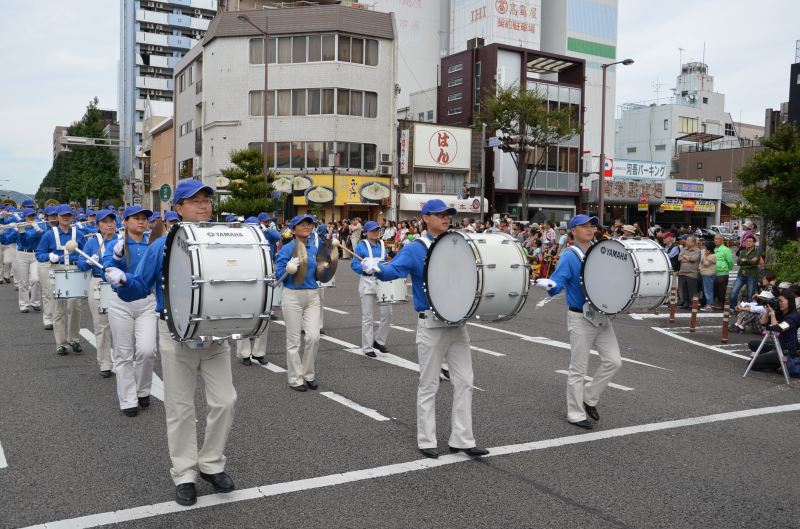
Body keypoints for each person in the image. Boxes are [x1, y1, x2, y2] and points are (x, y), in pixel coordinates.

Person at [105, 180, 237, 506]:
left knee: (225, 401)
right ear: (178, 208)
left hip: (215, 334)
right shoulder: (162, 245)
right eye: (194, 201)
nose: (204, 205)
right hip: (175, 334)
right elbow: (140, 286)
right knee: (180, 408)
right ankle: (185, 473)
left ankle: (210, 463)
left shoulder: (223, 239)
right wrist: (122, 280)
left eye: (206, 200)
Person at [367, 199, 488, 459]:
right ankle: (426, 439)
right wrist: (375, 268)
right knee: (429, 383)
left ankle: (462, 439)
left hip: (457, 323)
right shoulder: (414, 248)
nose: (446, 219)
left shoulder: (458, 244)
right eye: (440, 215)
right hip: (431, 323)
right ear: (425, 218)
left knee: (466, 381)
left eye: (448, 215)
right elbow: (393, 272)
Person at [534, 214, 621, 430]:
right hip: (579, 317)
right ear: (573, 231)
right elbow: (558, 282)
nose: (590, 229)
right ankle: (575, 413)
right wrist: (549, 284)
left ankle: (589, 397)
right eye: (583, 226)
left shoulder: (599, 250)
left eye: (592, 225)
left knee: (614, 361)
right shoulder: (569, 256)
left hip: (601, 315)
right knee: (578, 369)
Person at [102, 205, 158, 417]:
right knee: (123, 353)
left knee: (147, 350)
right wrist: (115, 260)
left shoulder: (152, 244)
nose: (141, 222)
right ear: (124, 221)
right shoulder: (115, 244)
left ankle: (143, 389)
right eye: (136, 218)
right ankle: (128, 399)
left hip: (147, 301)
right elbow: (105, 267)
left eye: (144, 218)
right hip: (121, 302)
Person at [276, 214, 322, 392]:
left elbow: (320, 271)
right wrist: (288, 269)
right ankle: (296, 378)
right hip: (292, 296)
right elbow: (278, 276)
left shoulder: (313, 248)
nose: (307, 227)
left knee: (313, 336)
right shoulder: (287, 249)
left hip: (312, 295)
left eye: (309, 224)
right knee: (294, 340)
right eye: (302, 224)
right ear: (293, 230)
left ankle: (308, 374)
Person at [35, 205, 86, 355]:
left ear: (72, 217)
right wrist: (48, 256)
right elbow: (39, 253)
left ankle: (74, 339)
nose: (65, 217)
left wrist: (84, 260)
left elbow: (85, 251)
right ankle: (61, 343)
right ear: (57, 217)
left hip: (75, 269)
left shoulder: (79, 234)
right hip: (56, 269)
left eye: (68, 215)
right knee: (58, 307)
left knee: (75, 307)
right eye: (63, 215)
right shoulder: (49, 234)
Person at [76, 209, 117, 378]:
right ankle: (105, 363)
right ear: (98, 225)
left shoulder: (123, 239)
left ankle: (124, 361)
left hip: (119, 284)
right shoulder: (92, 242)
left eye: (112, 221)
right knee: (101, 325)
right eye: (105, 222)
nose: (109, 224)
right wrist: (88, 259)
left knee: (123, 326)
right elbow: (81, 266)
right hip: (99, 283)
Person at [352, 221, 392, 358]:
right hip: (367, 282)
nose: (375, 232)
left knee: (388, 313)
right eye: (372, 230)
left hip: (382, 282)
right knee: (368, 316)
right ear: (366, 232)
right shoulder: (361, 246)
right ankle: (367, 346)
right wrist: (365, 267)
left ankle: (379, 340)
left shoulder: (382, 244)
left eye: (377, 230)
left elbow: (385, 261)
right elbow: (354, 265)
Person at [747, 287, 799, 373]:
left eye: (781, 301)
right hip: (778, 346)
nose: (779, 303)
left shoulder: (794, 317)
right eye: (778, 301)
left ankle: (778, 363)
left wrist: (773, 313)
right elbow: (763, 323)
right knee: (752, 344)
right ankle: (772, 360)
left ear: (789, 302)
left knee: (751, 363)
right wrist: (768, 310)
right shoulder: (781, 312)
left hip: (786, 351)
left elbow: (777, 329)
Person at [14, 208, 44, 313]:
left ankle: (35, 302)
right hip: (22, 253)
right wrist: (20, 232)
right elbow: (24, 243)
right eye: (29, 216)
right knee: (23, 281)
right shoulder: (21, 226)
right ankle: (24, 305)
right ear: (25, 217)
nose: (31, 218)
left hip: (36, 254)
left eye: (33, 215)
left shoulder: (40, 224)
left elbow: (41, 236)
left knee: (36, 279)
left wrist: (36, 228)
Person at [728, 235, 759, 310]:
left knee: (750, 295)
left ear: (754, 243)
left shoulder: (757, 252)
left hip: (751, 275)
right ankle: (733, 307)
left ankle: (748, 310)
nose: (748, 243)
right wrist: (747, 260)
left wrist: (744, 260)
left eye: (750, 241)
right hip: (741, 274)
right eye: (747, 241)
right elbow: (738, 262)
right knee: (733, 292)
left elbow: (753, 262)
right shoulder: (743, 251)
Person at [677, 236, 701, 309]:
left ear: (693, 242)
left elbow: (694, 259)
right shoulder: (684, 249)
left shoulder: (697, 250)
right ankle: (686, 303)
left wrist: (686, 257)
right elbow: (679, 258)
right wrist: (688, 258)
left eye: (688, 240)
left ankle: (693, 304)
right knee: (684, 290)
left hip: (692, 273)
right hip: (682, 272)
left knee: (692, 290)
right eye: (686, 240)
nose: (686, 241)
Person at [713, 234, 734, 310]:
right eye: (715, 239)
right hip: (713, 273)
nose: (716, 240)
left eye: (718, 239)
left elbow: (730, 262)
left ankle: (721, 304)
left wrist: (726, 268)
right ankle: (715, 303)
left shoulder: (726, 250)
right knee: (714, 289)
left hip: (722, 273)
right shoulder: (714, 249)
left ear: (722, 240)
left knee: (721, 290)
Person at [699, 239, 717, 311]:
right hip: (705, 274)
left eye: (705, 248)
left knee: (708, 290)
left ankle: (709, 305)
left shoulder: (712, 256)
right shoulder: (709, 255)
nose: (704, 249)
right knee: (707, 290)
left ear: (709, 249)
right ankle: (708, 304)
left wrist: (705, 255)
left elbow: (706, 264)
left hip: (708, 275)